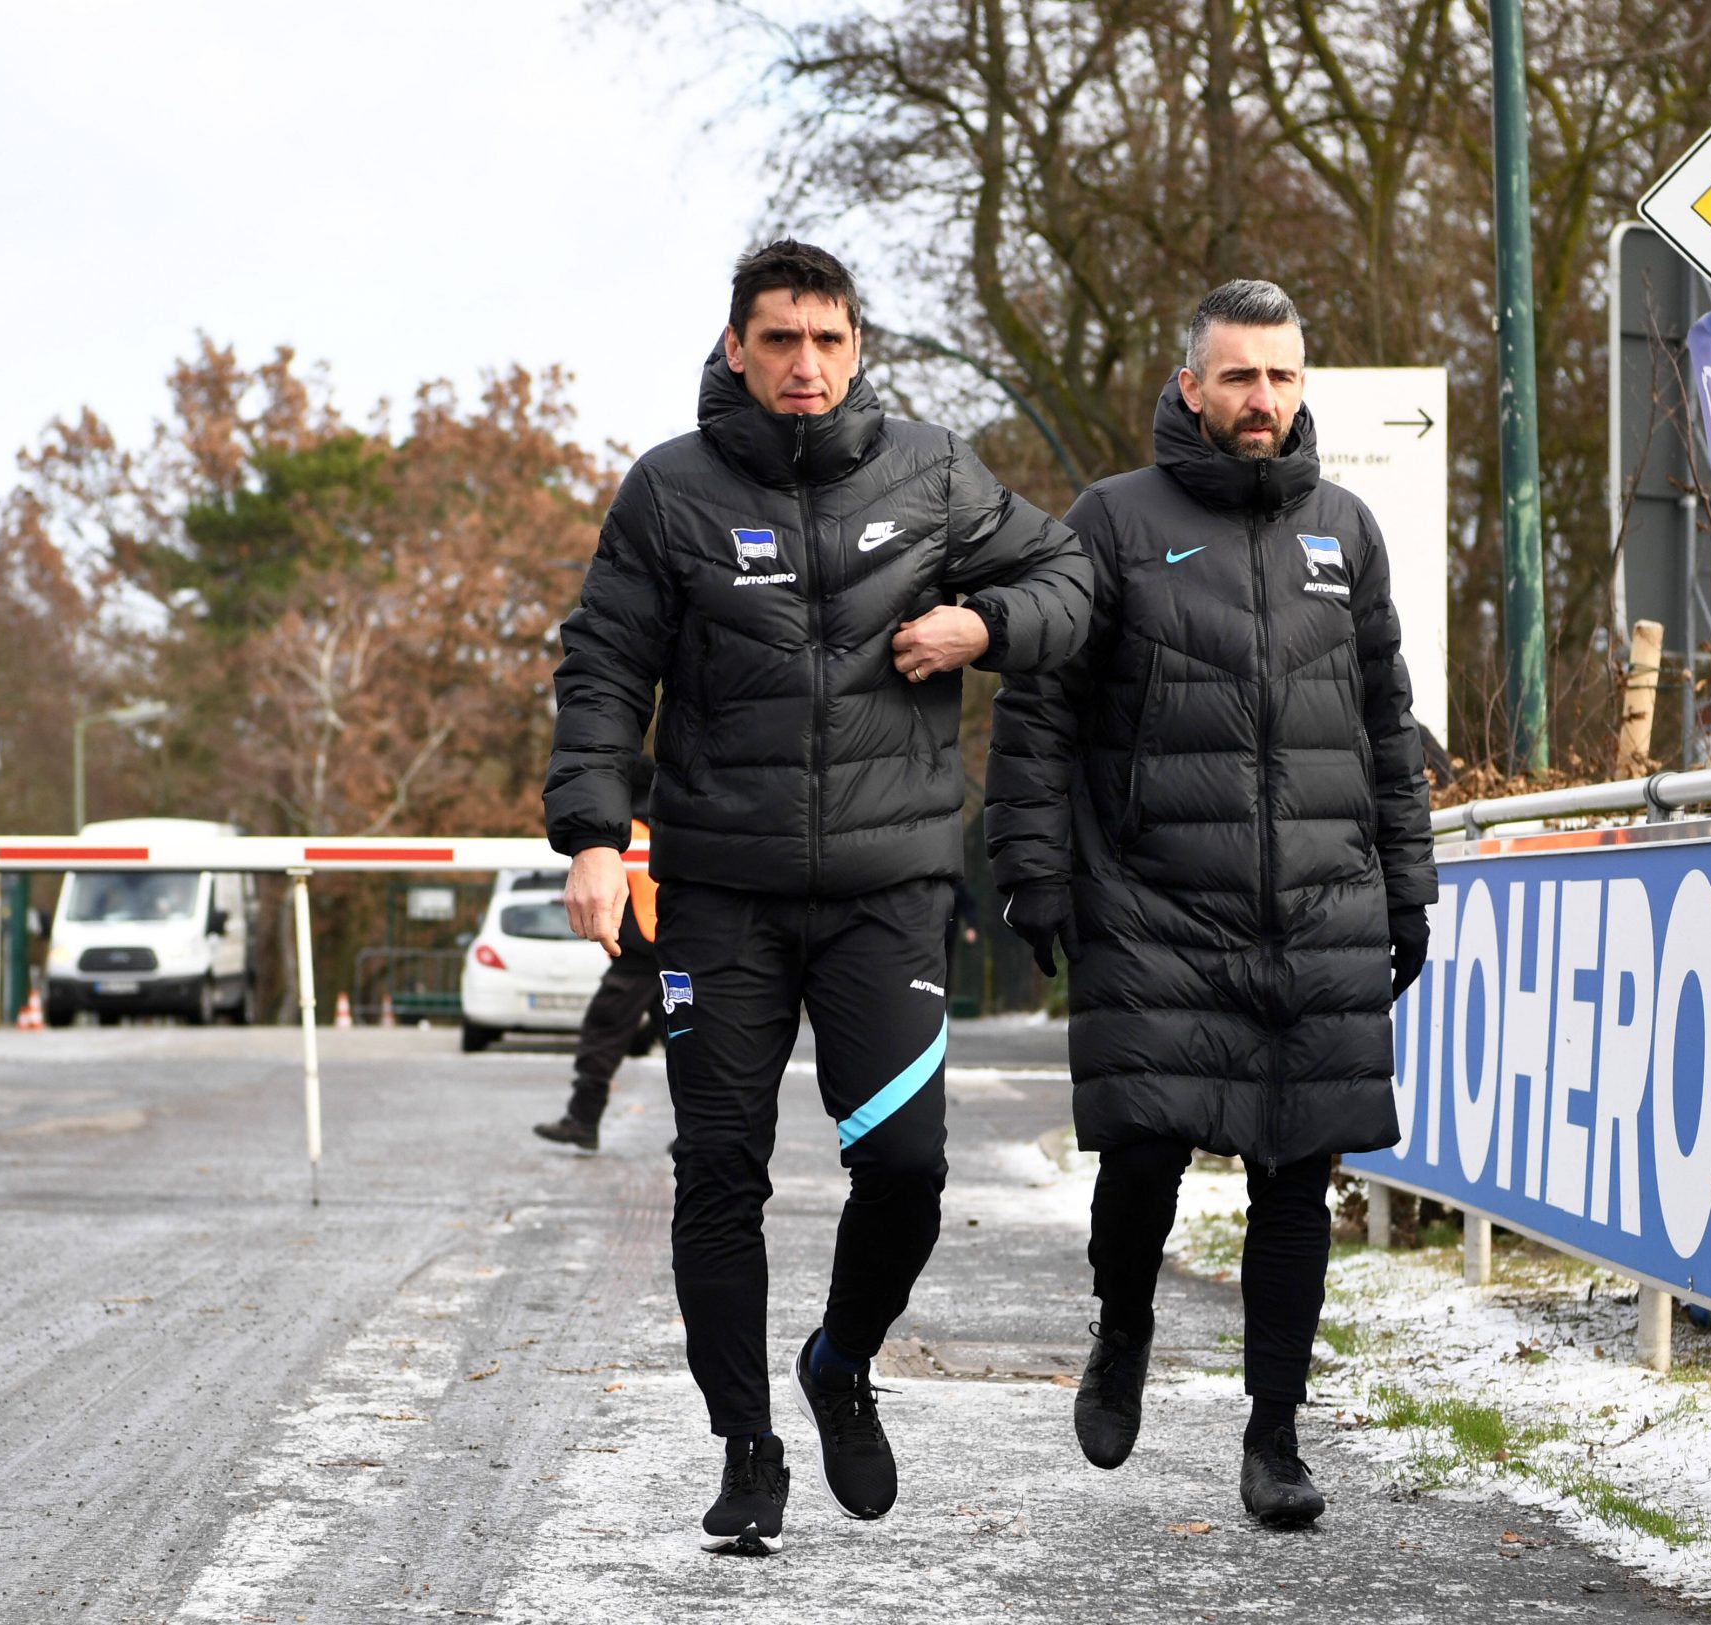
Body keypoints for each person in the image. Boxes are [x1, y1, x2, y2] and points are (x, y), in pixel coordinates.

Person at [544, 240, 1092, 1555]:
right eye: (780, 341)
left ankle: (841, 1362)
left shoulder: (934, 471)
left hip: (886, 892)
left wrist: (984, 629)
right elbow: (603, 666)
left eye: (828, 342)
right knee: (718, 1175)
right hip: (720, 897)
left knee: (904, 1168)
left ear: (858, 350)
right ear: (736, 346)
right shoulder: (669, 493)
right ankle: (746, 1449)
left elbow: (1073, 580)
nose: (805, 366)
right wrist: (593, 835)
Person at [986, 280, 1438, 1529]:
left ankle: (1274, 1437)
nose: (1263, 400)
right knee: (1141, 1152)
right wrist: (1032, 866)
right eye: (1239, 376)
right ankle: (1120, 1325)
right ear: (1190, 385)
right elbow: (1039, 708)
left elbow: (1386, 724)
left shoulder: (1346, 529)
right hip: (1150, 904)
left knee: (1296, 1177)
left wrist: (1410, 883)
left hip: (1320, 904)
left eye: (1283, 377)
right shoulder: (1110, 523)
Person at [535, 759, 662, 1152]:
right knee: (689, 1046)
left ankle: (582, 1120)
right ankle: (702, 1134)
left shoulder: (632, 834)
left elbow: (637, 903)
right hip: (670, 952)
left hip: (641, 956)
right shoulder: (661, 824)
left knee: (601, 1037)